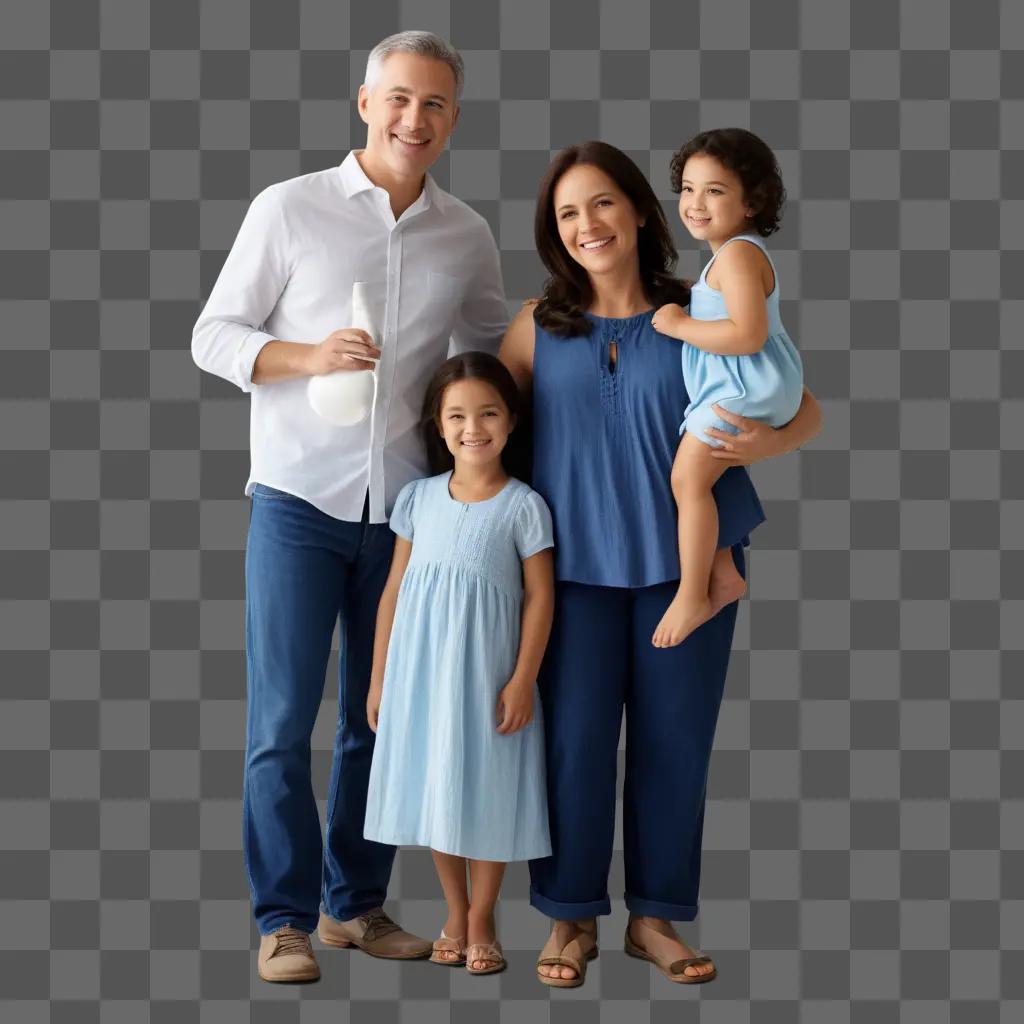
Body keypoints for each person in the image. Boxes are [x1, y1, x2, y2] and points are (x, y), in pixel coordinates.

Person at [190, 32, 508, 983]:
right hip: (296, 498)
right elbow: (213, 335)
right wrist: (308, 357)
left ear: (454, 121)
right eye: (400, 99)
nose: (416, 119)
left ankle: (354, 907)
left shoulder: (466, 233)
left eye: (436, 106)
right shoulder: (290, 209)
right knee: (282, 721)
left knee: (382, 720)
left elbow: (499, 351)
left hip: (407, 511)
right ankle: (283, 920)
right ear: (365, 103)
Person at [498, 141, 823, 987]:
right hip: (567, 574)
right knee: (571, 745)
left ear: (641, 210)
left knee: (676, 745)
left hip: (692, 568)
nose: (587, 225)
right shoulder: (536, 325)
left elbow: (803, 399)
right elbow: (482, 429)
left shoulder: (701, 304)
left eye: (602, 203)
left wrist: (774, 438)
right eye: (568, 212)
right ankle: (569, 918)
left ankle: (657, 918)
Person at [363, 352, 555, 975]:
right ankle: (453, 908)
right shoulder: (417, 499)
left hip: (489, 673)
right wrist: (379, 677)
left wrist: (523, 678)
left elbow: (541, 596)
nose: (474, 427)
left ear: (511, 421)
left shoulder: (525, 505)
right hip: (423, 673)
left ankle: (483, 914)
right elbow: (393, 589)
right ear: (439, 426)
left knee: (490, 783)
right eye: (458, 416)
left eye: (488, 412)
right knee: (439, 783)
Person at [650, 128, 804, 648]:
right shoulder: (729, 256)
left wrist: (678, 325)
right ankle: (723, 573)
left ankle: (693, 591)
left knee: (686, 481)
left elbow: (746, 333)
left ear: (751, 201)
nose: (695, 203)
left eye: (714, 191)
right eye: (688, 189)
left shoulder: (738, 254)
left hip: (748, 386)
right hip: (745, 383)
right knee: (703, 478)